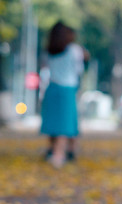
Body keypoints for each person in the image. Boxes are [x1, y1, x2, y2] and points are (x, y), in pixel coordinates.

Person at [40, 22, 87, 167]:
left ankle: (56, 151)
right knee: (65, 124)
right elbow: (79, 70)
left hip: (52, 88)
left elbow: (44, 67)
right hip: (68, 89)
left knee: (54, 123)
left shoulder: (49, 51)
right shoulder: (74, 50)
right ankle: (59, 155)